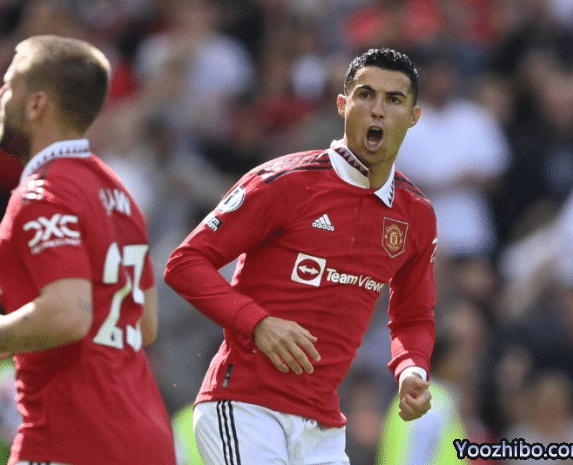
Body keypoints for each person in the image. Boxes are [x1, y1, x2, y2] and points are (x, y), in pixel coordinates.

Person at [165, 47, 437, 464]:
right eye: (366, 95)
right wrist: (257, 322)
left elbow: (413, 316)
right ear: (343, 105)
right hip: (244, 409)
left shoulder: (415, 214)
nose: (378, 110)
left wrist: (411, 370)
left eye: (394, 100)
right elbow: (184, 264)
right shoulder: (284, 183)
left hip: (322, 428)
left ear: (413, 116)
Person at [0, 35, 176, 465]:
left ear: (36, 105)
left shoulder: (44, 192)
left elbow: (67, 315)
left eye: (9, 85)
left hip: (72, 438)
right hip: (145, 440)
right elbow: (144, 325)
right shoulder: (119, 195)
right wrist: (17, 332)